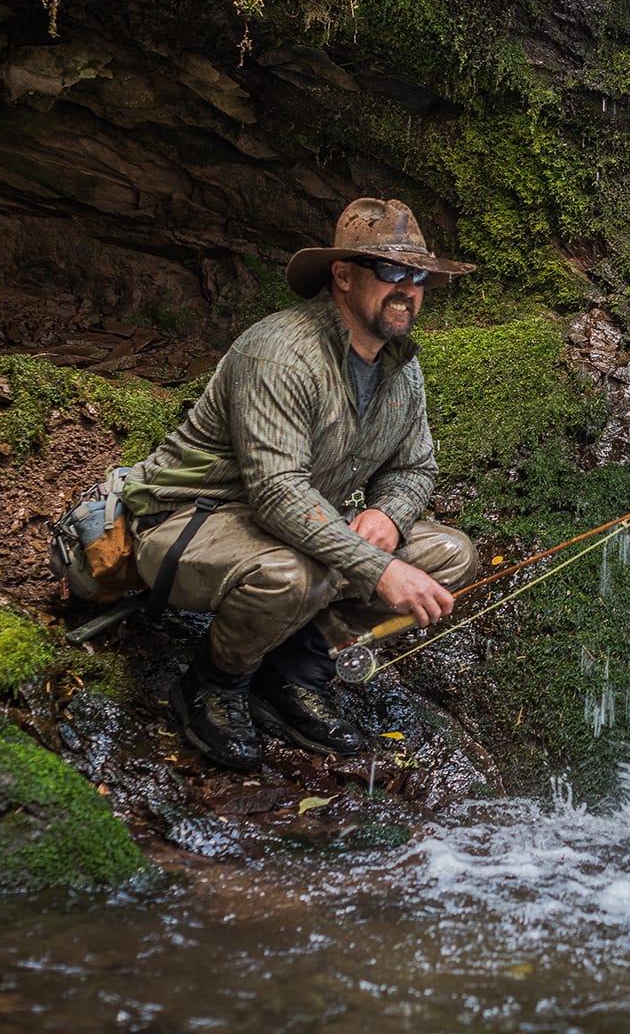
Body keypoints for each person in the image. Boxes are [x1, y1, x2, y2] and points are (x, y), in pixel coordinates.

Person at [121, 197, 480, 772]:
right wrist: (378, 567)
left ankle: (291, 673)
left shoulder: (401, 365)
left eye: (418, 276)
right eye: (390, 271)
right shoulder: (280, 352)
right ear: (342, 275)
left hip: (292, 527)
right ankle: (211, 685)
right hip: (190, 521)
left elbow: (415, 469)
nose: (407, 289)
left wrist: (388, 515)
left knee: (448, 555)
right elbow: (277, 492)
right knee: (295, 573)